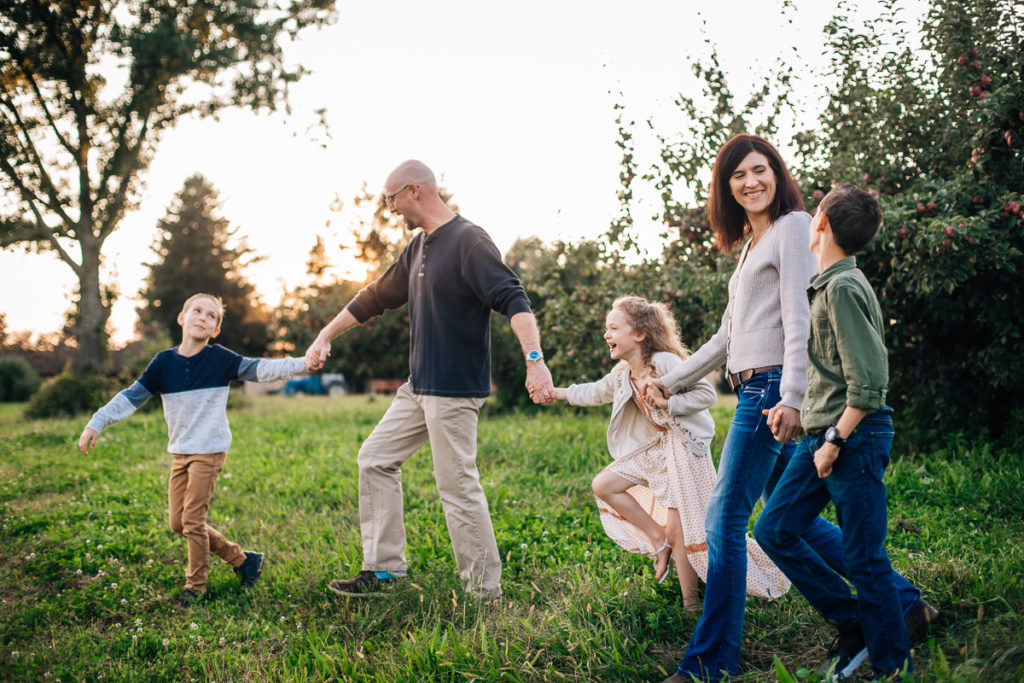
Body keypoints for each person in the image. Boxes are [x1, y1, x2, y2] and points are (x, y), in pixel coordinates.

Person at [643, 135, 932, 683]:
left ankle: (709, 663)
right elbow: (728, 335)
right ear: (725, 188)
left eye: (761, 169)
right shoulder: (753, 245)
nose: (752, 181)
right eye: (739, 175)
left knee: (724, 516)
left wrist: (793, 397)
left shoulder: (795, 226)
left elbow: (801, 321)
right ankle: (902, 605)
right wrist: (671, 382)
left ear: (778, 172)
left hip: (774, 391)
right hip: (760, 387)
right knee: (784, 518)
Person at [306, 160, 554, 601]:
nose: (390, 208)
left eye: (391, 199)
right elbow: (374, 297)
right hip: (418, 386)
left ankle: (483, 591)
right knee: (376, 458)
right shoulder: (418, 247)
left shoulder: (469, 241)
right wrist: (326, 334)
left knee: (457, 487)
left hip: (454, 389)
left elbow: (513, 297)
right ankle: (384, 571)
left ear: (414, 190)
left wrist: (534, 360)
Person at [753, 185, 919, 680]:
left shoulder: (843, 289)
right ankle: (853, 624)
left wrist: (834, 442)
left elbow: (868, 384)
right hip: (821, 434)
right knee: (774, 528)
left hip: (852, 438)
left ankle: (891, 666)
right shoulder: (827, 284)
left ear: (820, 222)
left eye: (814, 210)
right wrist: (805, 418)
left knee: (866, 558)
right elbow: (834, 375)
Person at [548, 296, 790, 610]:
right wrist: (559, 393)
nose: (606, 335)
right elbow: (595, 391)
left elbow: (706, 393)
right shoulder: (624, 373)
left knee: (683, 529)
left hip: (686, 450)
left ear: (639, 334)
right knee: (603, 485)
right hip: (658, 448)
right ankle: (657, 540)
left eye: (613, 328)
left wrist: (670, 403)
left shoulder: (665, 362)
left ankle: (691, 605)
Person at [77, 293, 308, 609]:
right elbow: (130, 397)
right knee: (177, 523)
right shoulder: (163, 363)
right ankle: (242, 559)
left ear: (215, 330)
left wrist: (302, 363)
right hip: (181, 452)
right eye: (197, 311)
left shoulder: (220, 359)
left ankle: (195, 589)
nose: (203, 317)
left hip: (209, 451)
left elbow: (261, 369)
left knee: (193, 521)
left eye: (212, 316)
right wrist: (97, 422)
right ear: (182, 318)